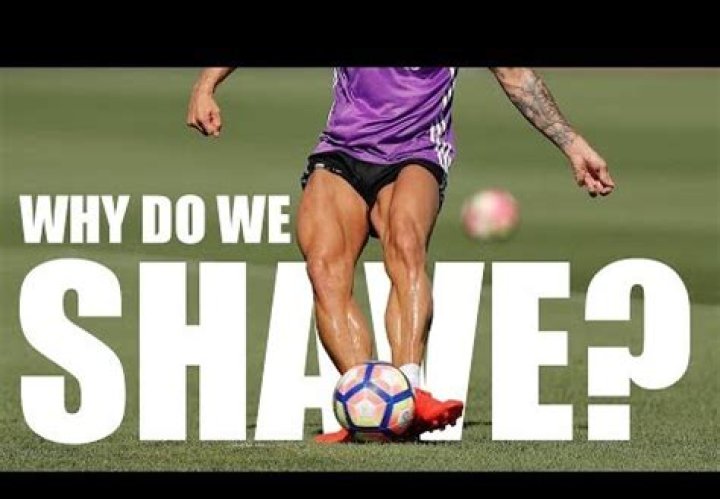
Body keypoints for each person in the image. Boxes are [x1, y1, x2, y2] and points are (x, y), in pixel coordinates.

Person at [187, 67, 615, 443]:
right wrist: (206, 86)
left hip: (416, 151)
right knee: (323, 267)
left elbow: (515, 75)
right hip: (342, 148)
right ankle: (369, 406)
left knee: (406, 243)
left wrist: (572, 144)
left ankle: (409, 389)